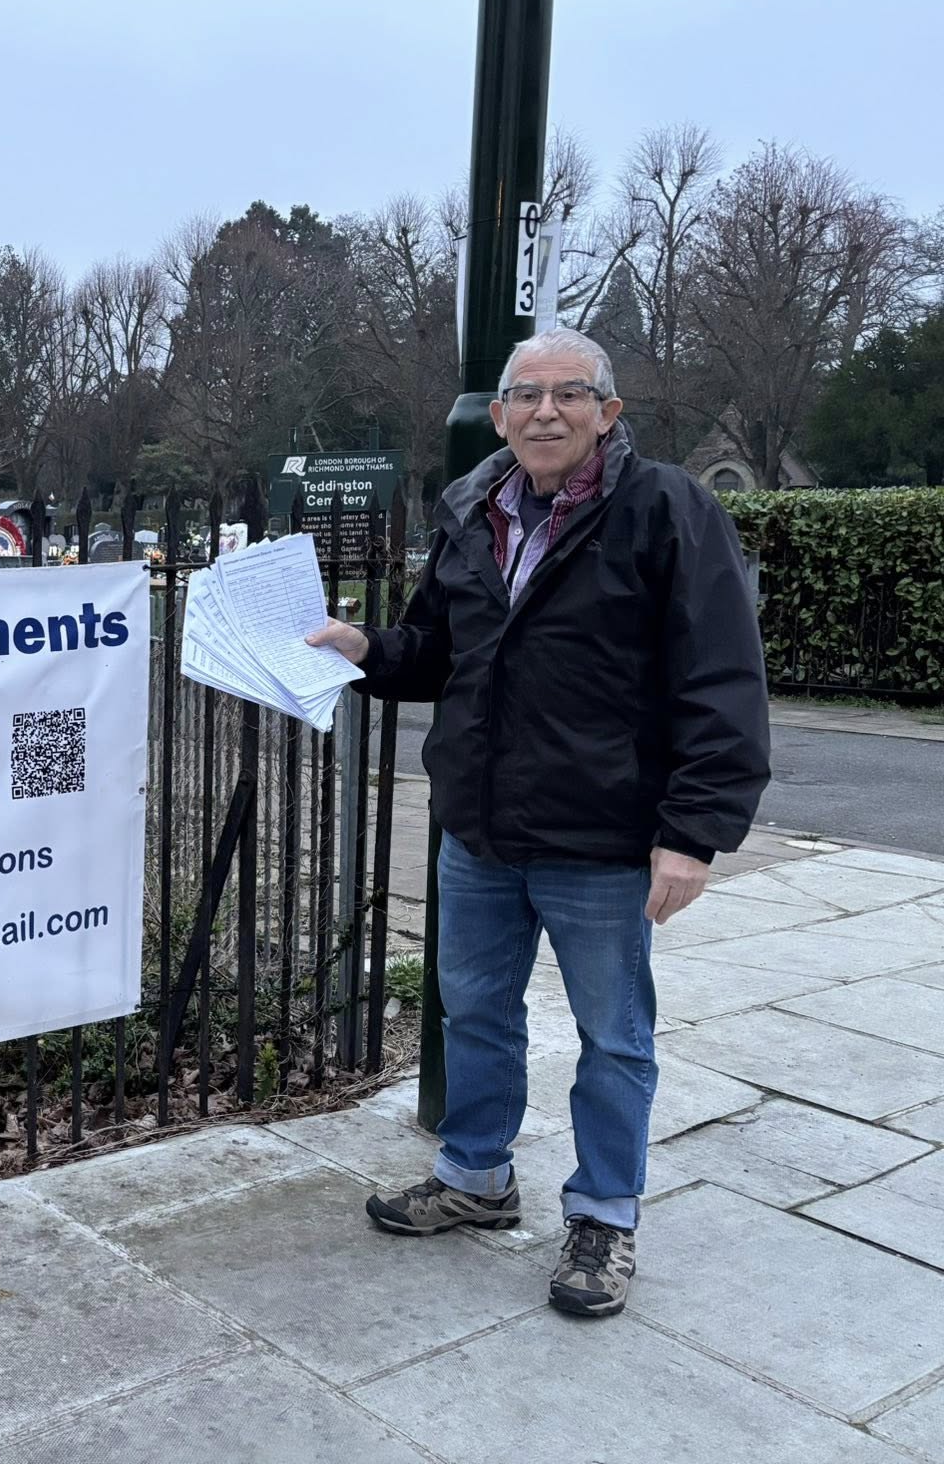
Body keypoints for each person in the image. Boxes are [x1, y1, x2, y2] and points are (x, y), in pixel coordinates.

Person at [307, 327, 770, 1317]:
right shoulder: (472, 509)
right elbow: (438, 653)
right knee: (473, 1010)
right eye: (525, 395)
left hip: (601, 840)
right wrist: (362, 648)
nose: (544, 411)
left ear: (608, 412)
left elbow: (721, 681)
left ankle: (602, 1215)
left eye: (569, 394)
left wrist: (691, 833)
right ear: (500, 414)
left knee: (613, 1036)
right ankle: (473, 1177)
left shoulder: (665, 512)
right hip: (478, 831)